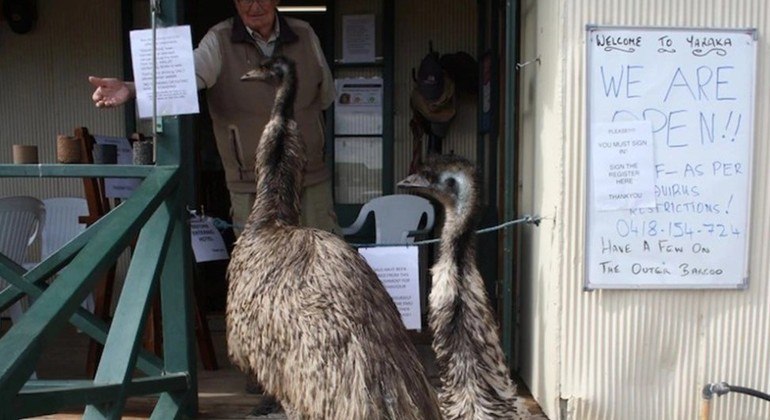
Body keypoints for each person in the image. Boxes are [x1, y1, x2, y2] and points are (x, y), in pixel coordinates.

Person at [89, 0, 340, 415]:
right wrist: (132, 89)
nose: (253, 5)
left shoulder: (305, 35)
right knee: (260, 281)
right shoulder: (219, 41)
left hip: (309, 178)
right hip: (250, 182)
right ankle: (269, 380)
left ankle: (328, 374)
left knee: (321, 275)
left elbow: (325, 95)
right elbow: (180, 74)